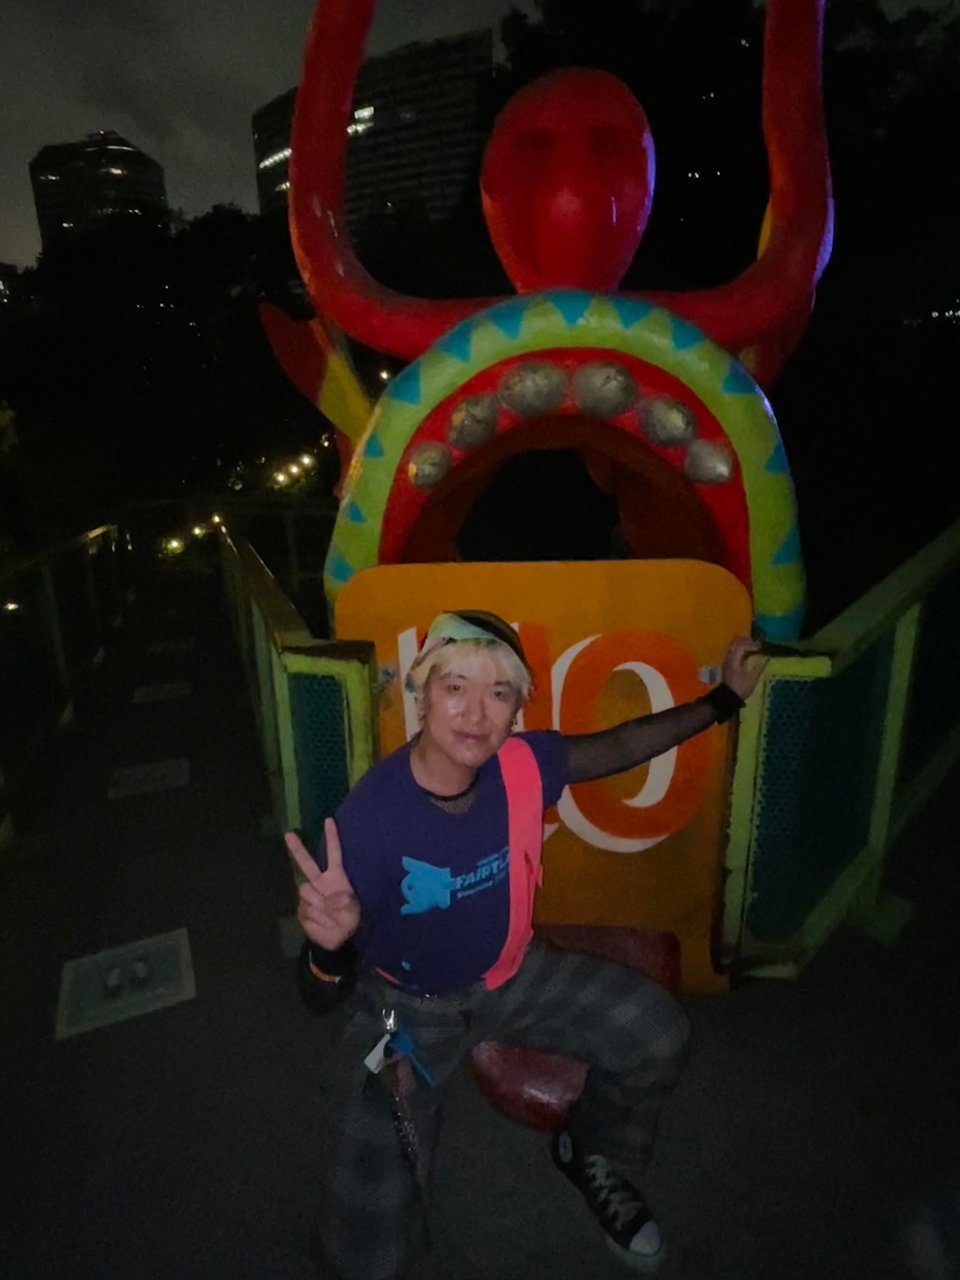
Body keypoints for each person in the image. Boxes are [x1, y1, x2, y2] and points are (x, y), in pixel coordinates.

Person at [285, 610, 766, 1280]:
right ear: (421, 692)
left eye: (499, 693)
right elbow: (316, 996)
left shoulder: (522, 765)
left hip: (516, 974)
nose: (476, 713)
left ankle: (594, 1154)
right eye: (456, 687)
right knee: (365, 1231)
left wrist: (725, 699)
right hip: (404, 1010)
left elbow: (625, 743)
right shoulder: (367, 823)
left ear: (515, 710)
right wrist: (329, 951)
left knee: (658, 1032)